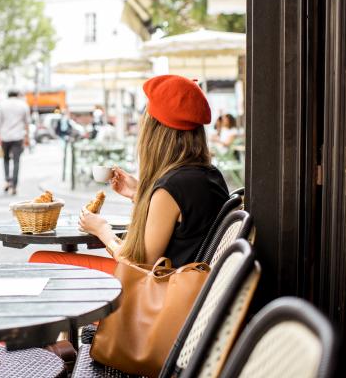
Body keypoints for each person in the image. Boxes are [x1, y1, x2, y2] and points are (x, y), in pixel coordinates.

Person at [30, 74, 230, 273]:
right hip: (188, 285)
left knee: (41, 260)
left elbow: (139, 266)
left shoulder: (171, 188)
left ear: (156, 133)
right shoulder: (209, 175)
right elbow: (187, 227)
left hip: (159, 290)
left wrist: (102, 230)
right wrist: (140, 194)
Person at [0, 90, 30, 195]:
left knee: (5, 159)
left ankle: (7, 180)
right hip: (18, 136)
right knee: (16, 161)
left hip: (5, 136)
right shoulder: (23, 105)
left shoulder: (2, 105)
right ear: (17, 95)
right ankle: (14, 186)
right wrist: (27, 137)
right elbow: (27, 122)